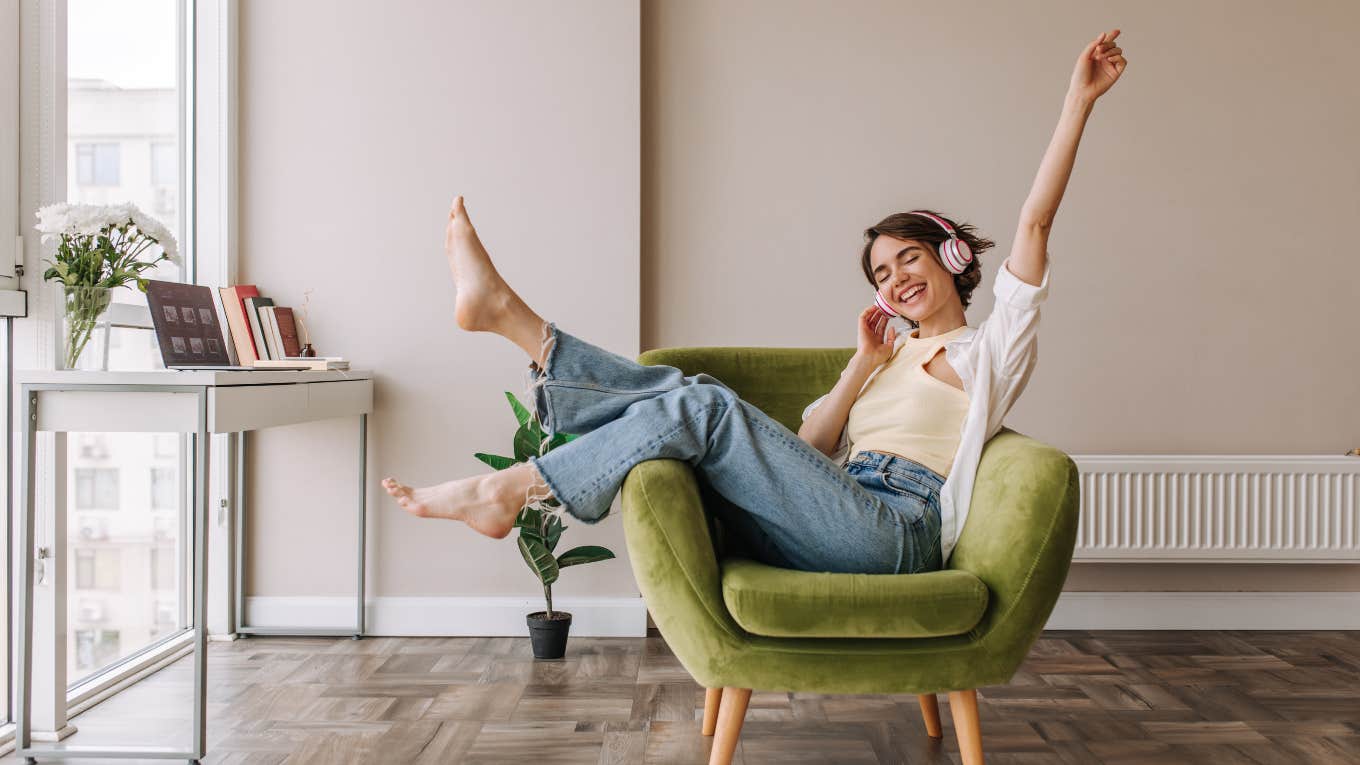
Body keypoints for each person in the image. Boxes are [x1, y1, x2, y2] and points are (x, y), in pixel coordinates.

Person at [382, 29, 1127, 574]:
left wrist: (1077, 102)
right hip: (831, 509)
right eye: (880, 272)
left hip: (897, 533)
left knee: (704, 405)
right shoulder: (889, 353)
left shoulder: (988, 350)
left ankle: (512, 446)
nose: (895, 278)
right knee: (702, 399)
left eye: (910, 258)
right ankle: (516, 338)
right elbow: (805, 454)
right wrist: (860, 366)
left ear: (953, 260)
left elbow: (1034, 223)